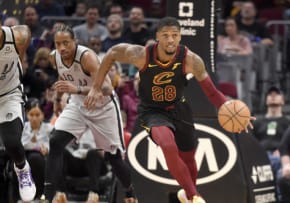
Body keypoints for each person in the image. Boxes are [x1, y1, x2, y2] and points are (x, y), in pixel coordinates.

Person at [85, 16, 254, 203]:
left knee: (189, 158)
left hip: (179, 109)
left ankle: (187, 193)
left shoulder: (191, 60)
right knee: (167, 145)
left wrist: (229, 108)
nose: (170, 39)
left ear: (180, 37)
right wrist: (95, 86)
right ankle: (194, 196)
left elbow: (213, 93)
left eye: (174, 35)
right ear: (158, 36)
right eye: (165, 35)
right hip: (152, 112)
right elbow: (111, 53)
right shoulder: (141, 55)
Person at [41, 24, 137, 203]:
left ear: (74, 41)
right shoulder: (56, 57)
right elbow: (64, 77)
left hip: (103, 108)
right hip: (78, 105)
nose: (62, 48)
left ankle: (131, 192)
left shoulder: (87, 57)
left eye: (66, 43)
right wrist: (57, 99)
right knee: (55, 141)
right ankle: (49, 195)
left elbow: (108, 88)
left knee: (114, 158)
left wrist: (76, 89)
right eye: (57, 43)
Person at [0, 24, 36, 201]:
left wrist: (19, 58)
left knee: (12, 142)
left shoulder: (16, 37)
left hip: (9, 95)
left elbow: (26, 32)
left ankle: (22, 168)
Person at [251, 86, 290, 175]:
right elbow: (251, 142)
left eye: (276, 94)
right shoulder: (257, 122)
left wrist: (283, 152)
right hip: (260, 156)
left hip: (280, 157)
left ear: (283, 101)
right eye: (270, 94)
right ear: (266, 100)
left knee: (280, 164)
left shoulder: (288, 123)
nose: (273, 96)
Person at [21, 98, 53, 199]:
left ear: (43, 115)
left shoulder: (49, 128)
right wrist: (36, 145)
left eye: (37, 115)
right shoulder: (22, 127)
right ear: (26, 114)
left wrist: (47, 149)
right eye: (31, 115)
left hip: (43, 159)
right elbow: (22, 145)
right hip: (25, 156)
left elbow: (51, 145)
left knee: (36, 158)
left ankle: (40, 194)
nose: (34, 118)